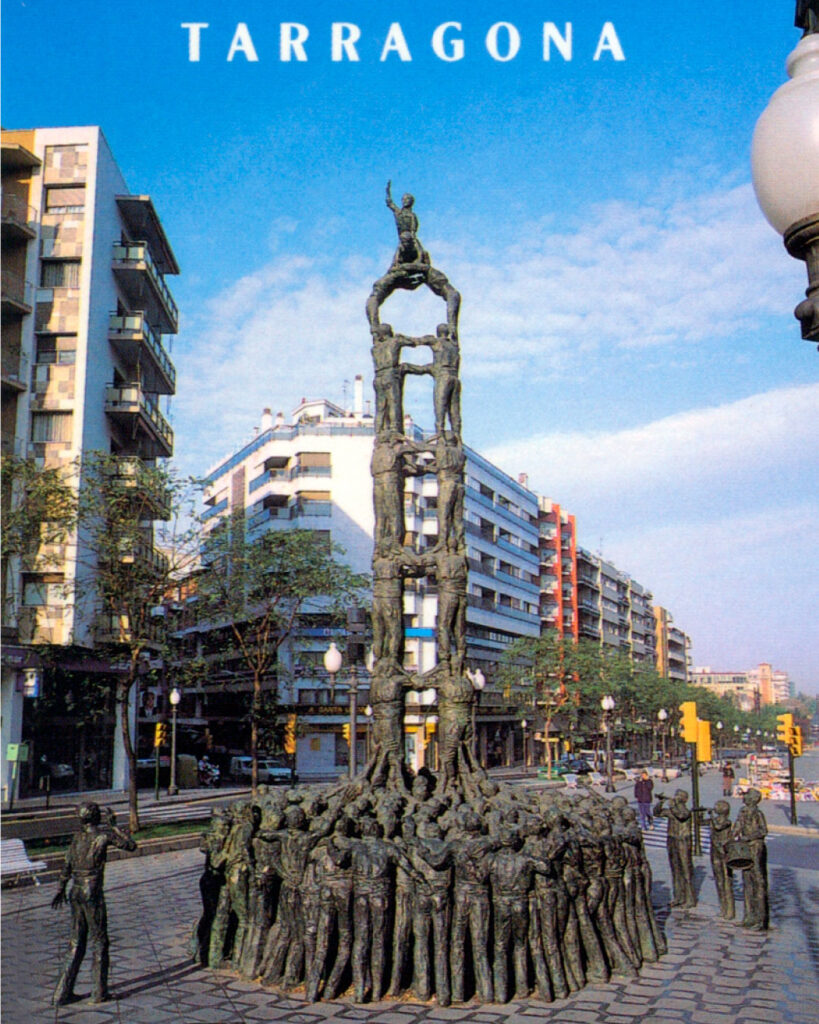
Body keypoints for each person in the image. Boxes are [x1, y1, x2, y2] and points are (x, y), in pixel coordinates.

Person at [51, 802, 137, 1005]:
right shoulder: (103, 836)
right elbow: (130, 846)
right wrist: (115, 826)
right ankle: (99, 992)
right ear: (98, 817)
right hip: (91, 892)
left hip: (75, 890)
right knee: (100, 941)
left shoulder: (78, 838)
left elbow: (67, 865)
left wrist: (60, 889)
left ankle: (61, 994)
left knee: (76, 942)